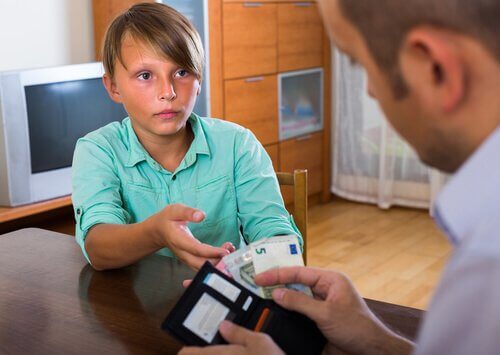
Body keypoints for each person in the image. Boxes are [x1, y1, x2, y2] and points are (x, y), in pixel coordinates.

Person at [180, 0, 500, 354]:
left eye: (360, 62)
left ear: (435, 68)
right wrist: (377, 342)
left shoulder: (488, 267)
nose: (370, 91)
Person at [72, 3, 300, 271]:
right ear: (113, 87)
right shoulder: (97, 150)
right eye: (145, 75)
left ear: (199, 78)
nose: (167, 92)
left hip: (221, 296)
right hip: (133, 307)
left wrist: (262, 260)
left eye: (181, 72)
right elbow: (97, 247)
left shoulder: (238, 144)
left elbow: (274, 233)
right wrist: (156, 232)